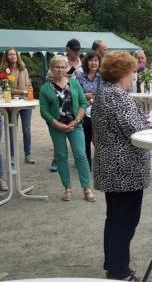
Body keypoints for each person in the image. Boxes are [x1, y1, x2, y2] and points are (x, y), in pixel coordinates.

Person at [92, 51, 152, 281]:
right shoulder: (118, 96)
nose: (134, 76)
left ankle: (113, 265)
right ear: (122, 72)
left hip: (111, 167)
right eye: (132, 72)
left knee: (114, 219)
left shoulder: (103, 93)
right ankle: (120, 272)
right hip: (124, 171)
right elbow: (138, 130)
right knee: (125, 221)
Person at [39, 55, 95, 203]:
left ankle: (87, 188)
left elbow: (84, 103)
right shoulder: (45, 88)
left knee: (80, 155)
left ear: (66, 69)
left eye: (63, 67)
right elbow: (43, 111)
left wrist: (76, 121)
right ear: (51, 69)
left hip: (75, 125)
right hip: (56, 126)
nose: (60, 69)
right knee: (61, 156)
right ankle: (67, 188)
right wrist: (56, 124)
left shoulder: (74, 83)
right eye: (56, 66)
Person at [47, 38, 83, 173]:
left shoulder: (81, 62)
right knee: (58, 132)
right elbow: (48, 78)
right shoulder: (59, 60)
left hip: (75, 100)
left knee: (77, 131)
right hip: (59, 100)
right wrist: (65, 75)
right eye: (75, 50)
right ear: (68, 50)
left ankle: (78, 159)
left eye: (79, 50)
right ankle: (56, 159)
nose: (77, 53)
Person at [1, 47, 34, 164]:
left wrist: (26, 91)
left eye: (14, 54)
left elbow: (28, 84)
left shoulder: (23, 69)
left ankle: (28, 154)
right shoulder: (3, 71)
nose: (12, 56)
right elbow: (6, 89)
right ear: (6, 57)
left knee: (26, 129)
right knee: (11, 129)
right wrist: (22, 91)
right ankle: (12, 156)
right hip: (10, 103)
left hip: (24, 102)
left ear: (17, 56)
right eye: (10, 54)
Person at [77, 51, 102, 170]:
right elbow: (75, 93)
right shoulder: (80, 76)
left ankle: (101, 163)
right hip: (84, 112)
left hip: (99, 111)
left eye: (96, 60)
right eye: (91, 60)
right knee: (85, 139)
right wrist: (85, 95)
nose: (93, 63)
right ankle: (86, 165)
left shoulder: (102, 77)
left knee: (100, 139)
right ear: (87, 62)